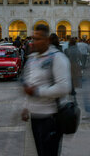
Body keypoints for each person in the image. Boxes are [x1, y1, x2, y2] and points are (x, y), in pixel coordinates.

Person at [21, 24, 71, 156]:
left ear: (47, 40)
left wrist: (37, 92)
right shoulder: (32, 59)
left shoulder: (57, 58)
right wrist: (26, 107)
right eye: (33, 38)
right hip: (35, 116)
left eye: (38, 39)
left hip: (51, 118)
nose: (34, 42)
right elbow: (30, 84)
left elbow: (64, 87)